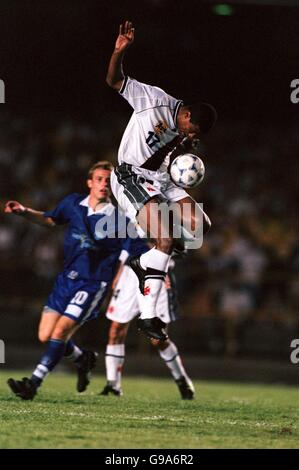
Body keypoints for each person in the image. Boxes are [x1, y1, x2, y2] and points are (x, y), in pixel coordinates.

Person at [106, 21, 217, 342]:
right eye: (192, 130)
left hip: (162, 181)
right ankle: (149, 315)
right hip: (131, 176)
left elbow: (172, 150)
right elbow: (113, 81)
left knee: (201, 225)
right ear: (185, 116)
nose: (192, 136)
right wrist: (118, 52)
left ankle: (151, 261)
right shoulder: (152, 99)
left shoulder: (184, 132)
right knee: (165, 241)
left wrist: (186, 147)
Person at [5, 161, 131, 400]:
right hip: (66, 280)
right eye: (100, 179)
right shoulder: (73, 203)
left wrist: (118, 279)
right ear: (90, 183)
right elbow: (50, 220)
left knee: (61, 331)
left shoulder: (119, 218)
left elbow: (128, 252)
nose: (104, 184)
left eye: (108, 180)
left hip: (93, 283)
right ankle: (82, 359)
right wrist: (24, 211)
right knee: (46, 335)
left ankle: (33, 383)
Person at [100, 237, 194, 399]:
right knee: (116, 329)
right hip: (130, 274)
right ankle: (113, 384)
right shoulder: (132, 213)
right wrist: (119, 273)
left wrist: (159, 243)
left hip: (157, 273)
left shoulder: (169, 214)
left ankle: (181, 379)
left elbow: (182, 249)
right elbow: (127, 244)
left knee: (157, 338)